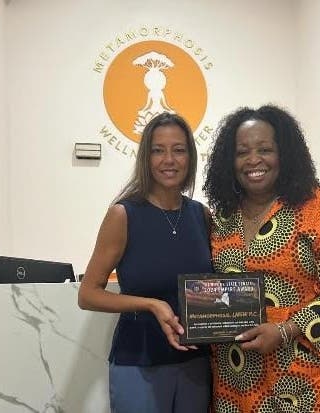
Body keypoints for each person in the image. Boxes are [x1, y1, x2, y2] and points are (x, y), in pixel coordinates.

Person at [203, 105, 320, 413]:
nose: (253, 160)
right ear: (229, 161)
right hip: (239, 377)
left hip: (307, 373)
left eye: (265, 149)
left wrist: (286, 329)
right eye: (242, 152)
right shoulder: (223, 216)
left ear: (285, 154)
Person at [78, 112, 212, 413]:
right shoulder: (123, 215)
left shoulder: (201, 215)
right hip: (139, 360)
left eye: (178, 150)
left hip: (196, 363)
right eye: (158, 150)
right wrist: (151, 304)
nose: (169, 159)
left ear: (190, 157)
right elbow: (87, 294)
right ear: (146, 158)